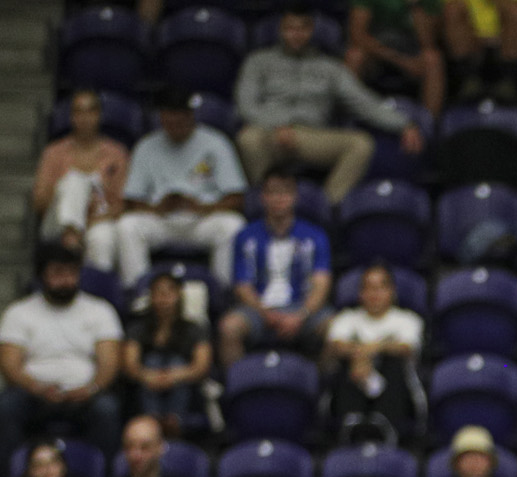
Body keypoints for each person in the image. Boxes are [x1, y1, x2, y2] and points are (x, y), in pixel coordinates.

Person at [234, 6, 424, 202]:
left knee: (361, 144)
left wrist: (404, 124)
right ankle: (266, 202)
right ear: (281, 30)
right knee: (248, 138)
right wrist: (277, 125)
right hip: (270, 132)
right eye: (290, 29)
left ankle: (325, 206)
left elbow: (363, 102)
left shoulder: (330, 67)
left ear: (311, 31)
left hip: (311, 135)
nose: (296, 35)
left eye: (301, 29)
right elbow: (246, 105)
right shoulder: (258, 62)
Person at [0, 244, 123, 462]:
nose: (66, 280)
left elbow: (109, 363)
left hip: (85, 396)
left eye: (71, 272)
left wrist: (91, 388)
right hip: (34, 395)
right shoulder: (18, 312)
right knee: (6, 407)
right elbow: (10, 366)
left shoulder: (100, 310)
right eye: (57, 273)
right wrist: (36, 388)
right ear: (42, 275)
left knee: (107, 409)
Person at [118, 92, 248, 288]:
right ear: (161, 119)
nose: (175, 127)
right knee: (127, 226)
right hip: (161, 219)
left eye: (180, 121)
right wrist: (157, 208)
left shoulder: (216, 143)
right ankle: (139, 292)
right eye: (169, 122)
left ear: (191, 117)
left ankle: (223, 292)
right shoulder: (146, 146)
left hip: (201, 218)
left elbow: (237, 197)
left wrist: (202, 207)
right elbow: (132, 200)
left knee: (232, 225)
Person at [217, 174, 333, 366]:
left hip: (301, 308)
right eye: (273, 192)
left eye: (285, 192)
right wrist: (266, 314)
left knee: (336, 329)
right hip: (259, 309)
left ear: (295, 197)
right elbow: (242, 286)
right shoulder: (246, 236)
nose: (279, 198)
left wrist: (300, 315)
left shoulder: (315, 235)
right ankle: (235, 388)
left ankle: (324, 389)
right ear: (263, 197)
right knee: (229, 328)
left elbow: (321, 285)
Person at [322, 263, 425, 447]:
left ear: (392, 291)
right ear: (360, 293)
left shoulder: (408, 320)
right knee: (344, 363)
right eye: (368, 288)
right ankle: (351, 424)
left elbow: (406, 348)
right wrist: (359, 357)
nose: (374, 294)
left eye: (380, 287)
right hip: (354, 384)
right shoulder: (346, 318)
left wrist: (367, 352)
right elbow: (335, 346)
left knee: (393, 361)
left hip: (395, 392)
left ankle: (384, 424)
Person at [34, 90, 128, 277]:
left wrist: (90, 221)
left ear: (99, 115)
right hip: (56, 224)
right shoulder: (54, 153)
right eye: (78, 112)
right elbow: (39, 204)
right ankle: (72, 233)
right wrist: (68, 195)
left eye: (90, 111)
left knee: (102, 238)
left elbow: (122, 205)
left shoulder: (116, 153)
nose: (84, 118)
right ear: (71, 117)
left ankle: (99, 290)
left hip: (100, 221)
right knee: (74, 180)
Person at [123, 271, 214, 441]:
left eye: (169, 292)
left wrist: (173, 376)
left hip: (183, 387)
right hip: (147, 385)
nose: (164, 298)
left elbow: (201, 366)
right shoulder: (137, 328)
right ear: (151, 296)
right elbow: (130, 365)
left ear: (179, 295)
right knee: (152, 361)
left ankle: (174, 421)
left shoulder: (196, 328)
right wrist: (149, 376)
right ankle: (153, 420)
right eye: (158, 292)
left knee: (176, 361)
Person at [346, 0, 447, 118]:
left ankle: (429, 124)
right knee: (354, 56)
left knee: (433, 59)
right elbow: (357, 36)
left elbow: (428, 43)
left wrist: (414, 6)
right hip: (376, 51)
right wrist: (403, 62)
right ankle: (346, 122)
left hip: (411, 50)